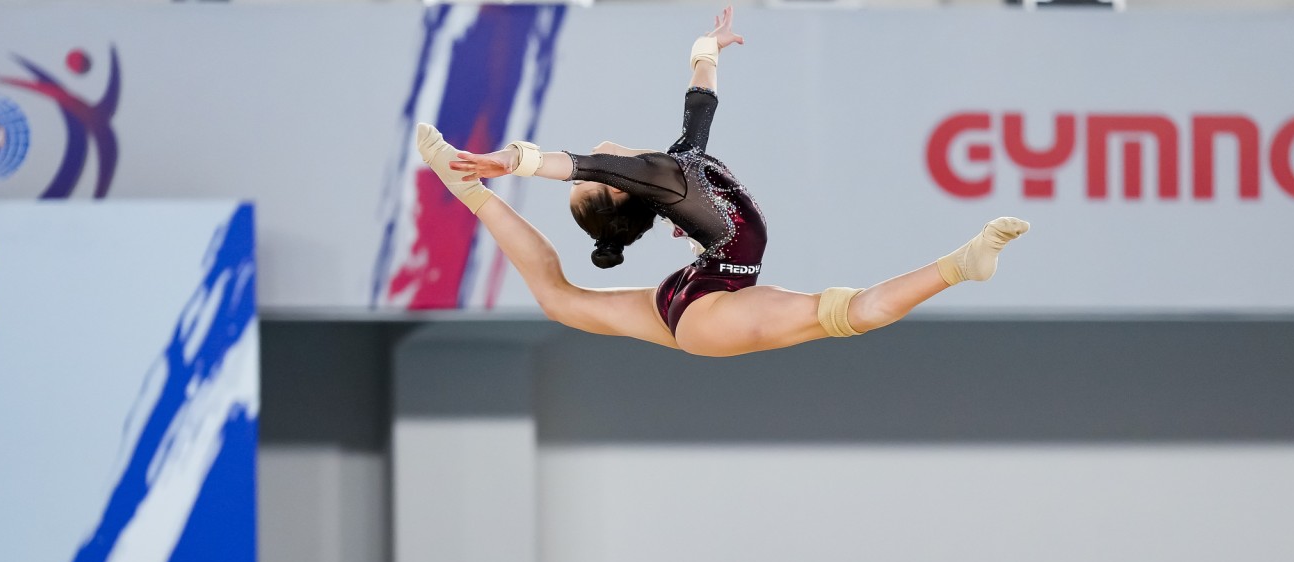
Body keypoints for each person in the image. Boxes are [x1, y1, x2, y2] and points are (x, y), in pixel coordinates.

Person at [414, 6, 1029, 358]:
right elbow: (584, 165)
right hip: (709, 308)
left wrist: (706, 49)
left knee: (560, 300)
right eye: (603, 178)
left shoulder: (676, 167)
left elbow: (699, 107)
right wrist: (513, 160)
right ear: (622, 190)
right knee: (853, 312)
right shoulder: (657, 177)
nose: (604, 157)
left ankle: (467, 194)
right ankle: (963, 265)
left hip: (694, 293)